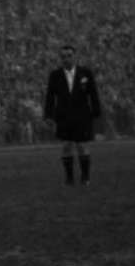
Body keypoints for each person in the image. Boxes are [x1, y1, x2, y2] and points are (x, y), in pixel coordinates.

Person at [43, 43, 102, 186]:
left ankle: (85, 177)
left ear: (75, 56)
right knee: (66, 146)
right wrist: (48, 115)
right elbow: (50, 97)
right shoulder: (55, 75)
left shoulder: (85, 73)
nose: (66, 59)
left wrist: (96, 111)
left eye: (69, 56)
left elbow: (93, 93)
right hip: (63, 116)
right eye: (63, 56)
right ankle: (69, 178)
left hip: (82, 115)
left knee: (82, 145)